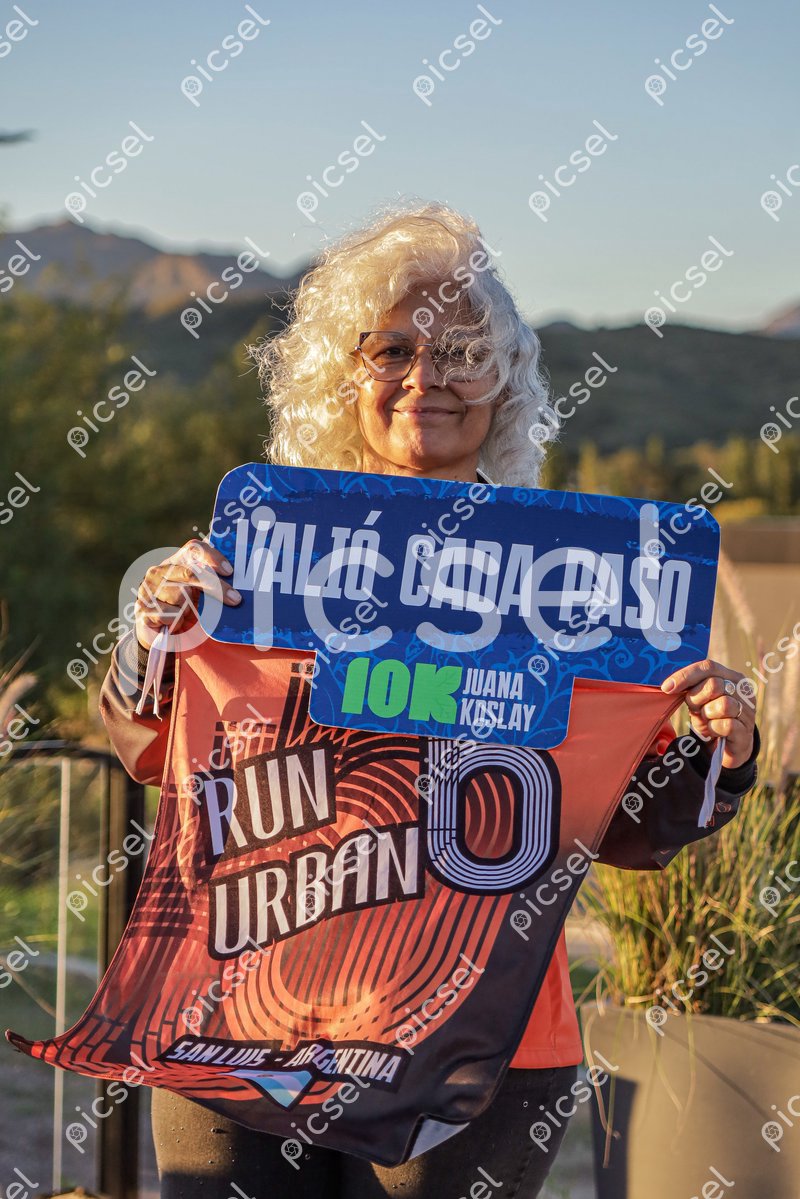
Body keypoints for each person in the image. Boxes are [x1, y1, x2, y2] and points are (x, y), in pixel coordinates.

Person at [99, 202, 759, 1198]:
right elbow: (154, 749)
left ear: (504, 380)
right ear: (343, 373)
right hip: (238, 1023)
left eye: (461, 351)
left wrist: (718, 747)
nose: (426, 376)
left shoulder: (580, 580)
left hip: (478, 1045)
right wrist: (153, 635)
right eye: (392, 348)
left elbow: (624, 822)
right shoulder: (264, 549)